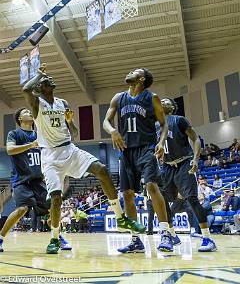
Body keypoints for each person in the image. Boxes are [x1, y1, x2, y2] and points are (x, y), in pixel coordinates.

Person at [22, 63, 144, 254]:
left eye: (49, 79)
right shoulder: (37, 103)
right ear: (39, 87)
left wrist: (70, 122)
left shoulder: (63, 104)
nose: (50, 79)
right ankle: (54, 238)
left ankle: (120, 218)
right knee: (56, 199)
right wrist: (38, 75)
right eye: (46, 80)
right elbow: (25, 89)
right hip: (50, 156)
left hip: (69, 149)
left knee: (102, 170)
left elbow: (75, 133)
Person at [103, 68, 174, 253]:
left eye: (134, 71)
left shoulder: (152, 97)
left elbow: (164, 123)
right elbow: (106, 121)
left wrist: (161, 142)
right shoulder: (118, 98)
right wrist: (112, 131)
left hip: (146, 148)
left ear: (141, 79)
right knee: (127, 194)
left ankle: (166, 233)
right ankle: (135, 240)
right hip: (125, 151)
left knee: (151, 186)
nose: (129, 72)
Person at [0, 108, 70, 252]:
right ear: (19, 118)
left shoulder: (41, 135)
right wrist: (31, 145)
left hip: (39, 181)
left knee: (53, 208)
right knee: (22, 209)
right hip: (21, 180)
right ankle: (0, 238)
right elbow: (10, 150)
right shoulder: (14, 134)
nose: (29, 112)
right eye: (25, 111)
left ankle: (57, 237)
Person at [160, 98, 217, 252]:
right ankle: (170, 235)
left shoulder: (179, 120)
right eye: (161, 100)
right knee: (162, 200)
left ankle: (207, 238)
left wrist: (196, 159)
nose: (162, 101)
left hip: (184, 163)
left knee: (192, 199)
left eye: (166, 101)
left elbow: (196, 139)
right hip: (166, 166)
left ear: (172, 107)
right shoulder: (155, 125)